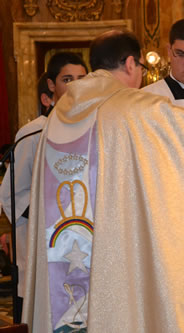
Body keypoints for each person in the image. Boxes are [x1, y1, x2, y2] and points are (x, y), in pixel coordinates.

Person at [23, 30, 184, 333]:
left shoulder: (62, 112)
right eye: (142, 67)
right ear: (131, 63)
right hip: (113, 255)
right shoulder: (135, 108)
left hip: (63, 251)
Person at [0, 55, 87, 318]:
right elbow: (12, 193)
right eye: (67, 79)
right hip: (44, 237)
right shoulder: (34, 134)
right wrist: (50, 217)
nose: (75, 87)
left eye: (82, 80)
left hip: (83, 238)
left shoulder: (93, 128)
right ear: (51, 85)